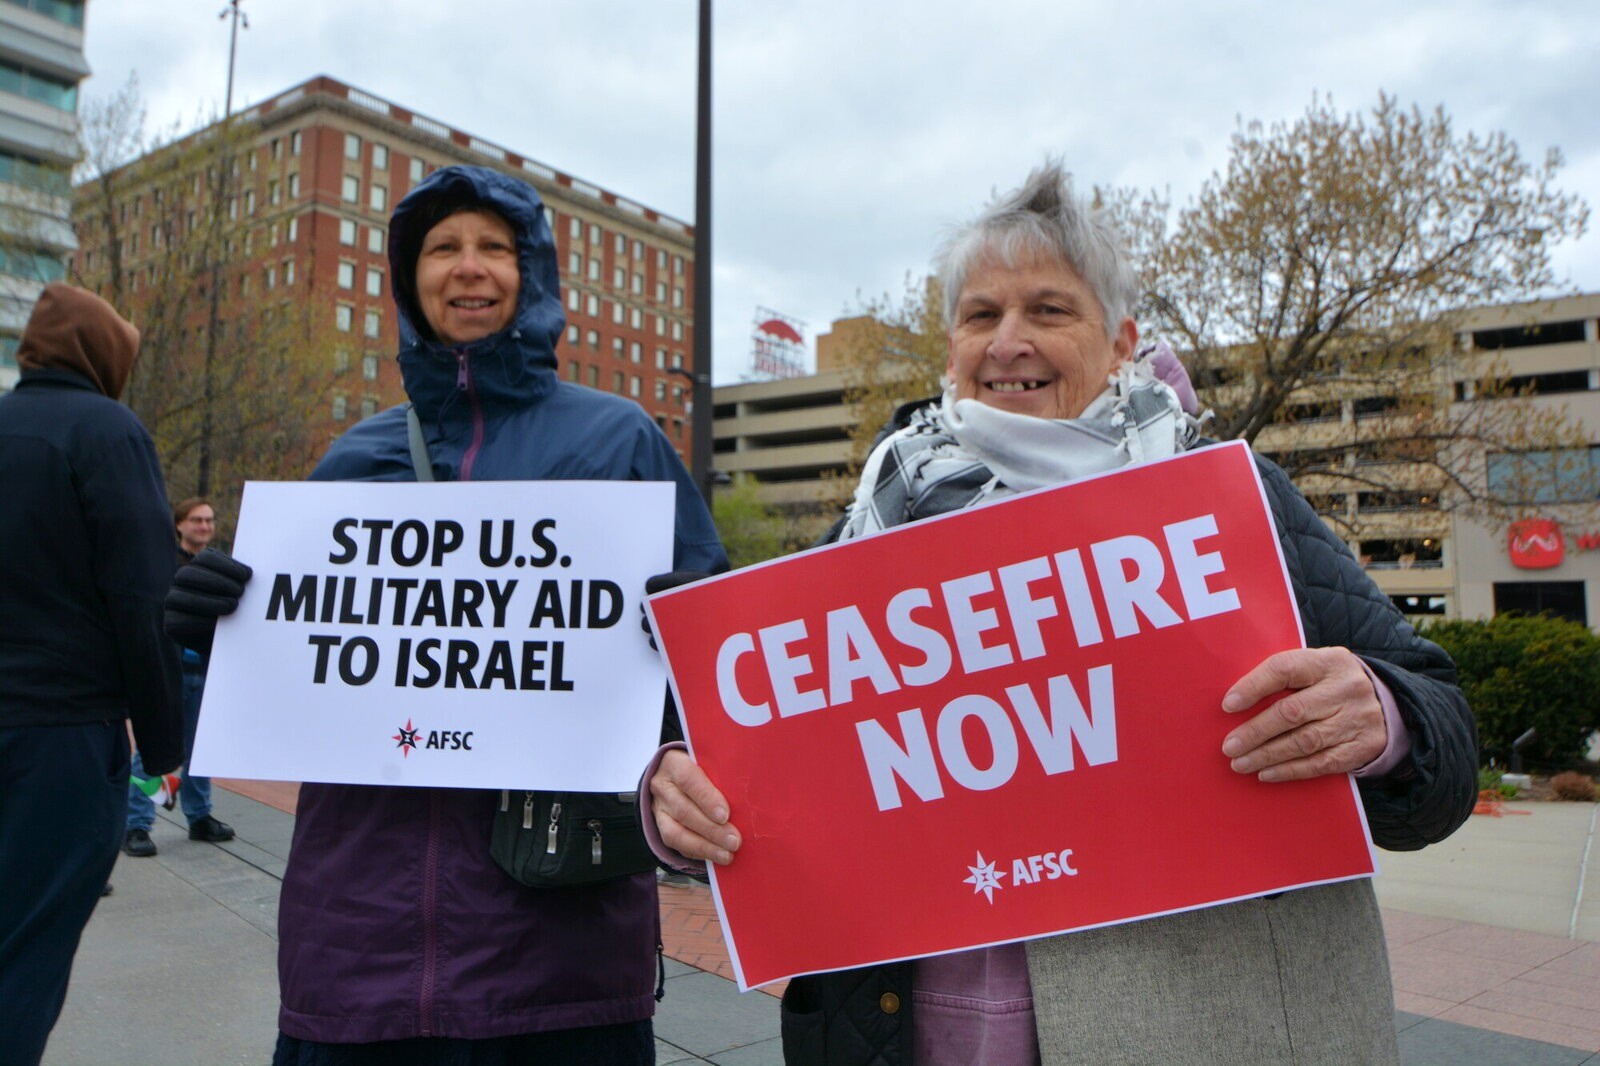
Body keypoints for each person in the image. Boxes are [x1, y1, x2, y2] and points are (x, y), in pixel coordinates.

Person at [647, 162, 1478, 1065]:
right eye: (980, 315)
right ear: (951, 347)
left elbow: (1443, 747)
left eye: (1049, 310)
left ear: (1121, 342)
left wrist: (1384, 716)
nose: (1009, 341)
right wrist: (679, 809)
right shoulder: (865, 536)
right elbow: (725, 763)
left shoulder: (1234, 503)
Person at [167, 165, 726, 1065]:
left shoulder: (621, 441)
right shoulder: (352, 463)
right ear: (407, 277)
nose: (469, 268)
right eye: (442, 248)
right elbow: (292, 668)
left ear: (533, 272)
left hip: (560, 967)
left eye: (494, 247)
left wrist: (686, 638)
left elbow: (718, 695)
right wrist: (216, 628)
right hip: (354, 961)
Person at [0, 283, 186, 1066]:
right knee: (28, 946)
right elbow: (144, 597)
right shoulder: (107, 432)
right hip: (60, 738)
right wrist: (166, 743)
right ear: (103, 357)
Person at [123, 497, 235, 857]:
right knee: (153, 748)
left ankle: (199, 816)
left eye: (209, 520)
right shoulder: (163, 564)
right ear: (179, 525)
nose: (204, 526)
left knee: (202, 749)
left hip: (205, 669)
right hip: (169, 668)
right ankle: (136, 825)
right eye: (197, 520)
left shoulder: (218, 565)